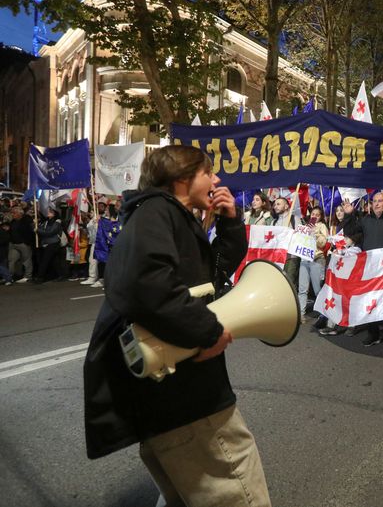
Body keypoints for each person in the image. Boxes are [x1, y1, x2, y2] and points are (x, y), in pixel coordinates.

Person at [83, 145, 271, 507]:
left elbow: (211, 274)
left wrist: (230, 222)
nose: (217, 181)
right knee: (238, 495)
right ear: (184, 178)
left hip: (175, 396)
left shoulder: (166, 216)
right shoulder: (157, 212)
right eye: (209, 173)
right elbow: (148, 285)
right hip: (188, 401)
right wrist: (210, 333)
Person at [341, 191, 383, 346]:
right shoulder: (365, 220)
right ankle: (373, 334)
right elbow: (351, 233)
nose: (377, 204)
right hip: (369, 268)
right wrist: (349, 215)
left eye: (380, 201)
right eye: (374, 201)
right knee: (368, 301)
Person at [298, 206, 329, 321]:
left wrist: (315, 234)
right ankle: (301, 313)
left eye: (317, 214)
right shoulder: (305, 226)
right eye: (313, 214)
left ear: (320, 217)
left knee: (317, 289)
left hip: (317, 259)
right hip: (304, 259)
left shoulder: (322, 227)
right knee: (302, 288)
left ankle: (323, 313)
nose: (314, 216)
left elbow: (323, 244)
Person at [34, 206, 67, 283]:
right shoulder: (46, 222)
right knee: (54, 260)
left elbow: (50, 232)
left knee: (45, 260)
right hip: (47, 243)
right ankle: (61, 275)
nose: (48, 212)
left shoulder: (57, 222)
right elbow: (41, 230)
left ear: (55, 214)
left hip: (53, 243)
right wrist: (36, 225)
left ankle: (40, 277)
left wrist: (38, 230)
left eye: (51, 212)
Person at [8, 206, 34, 282]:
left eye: (14, 213)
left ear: (20, 213)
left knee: (26, 260)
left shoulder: (27, 221)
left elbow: (31, 232)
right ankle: (10, 276)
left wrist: (27, 242)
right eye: (12, 213)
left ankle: (28, 276)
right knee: (11, 260)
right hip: (13, 244)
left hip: (24, 244)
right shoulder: (13, 221)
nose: (12, 214)